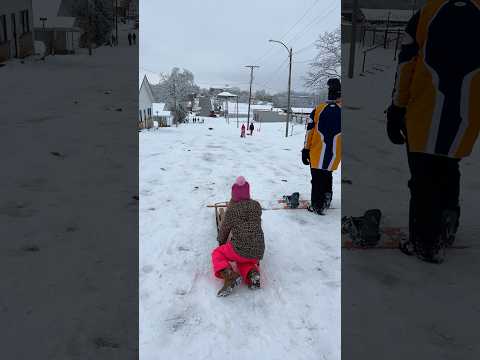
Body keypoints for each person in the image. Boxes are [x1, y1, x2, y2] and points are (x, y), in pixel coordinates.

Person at [386, 0, 480, 263]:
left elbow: (406, 64)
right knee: (449, 166)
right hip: (465, 115)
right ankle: (447, 223)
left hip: (426, 112)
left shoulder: (425, 15)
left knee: (423, 178)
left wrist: (397, 107)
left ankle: (426, 242)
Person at [211, 177, 265, 297]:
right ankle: (252, 275)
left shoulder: (232, 210)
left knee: (217, 253)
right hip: (258, 251)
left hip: (241, 249)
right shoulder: (256, 206)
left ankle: (230, 276)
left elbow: (224, 229)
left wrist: (221, 242)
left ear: (233, 195)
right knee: (243, 261)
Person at [302, 78, 342, 215]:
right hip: (334, 155)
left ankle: (317, 205)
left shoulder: (318, 109)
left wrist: (305, 149)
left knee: (317, 179)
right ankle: (327, 198)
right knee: (327, 175)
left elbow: (310, 131)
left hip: (317, 152)